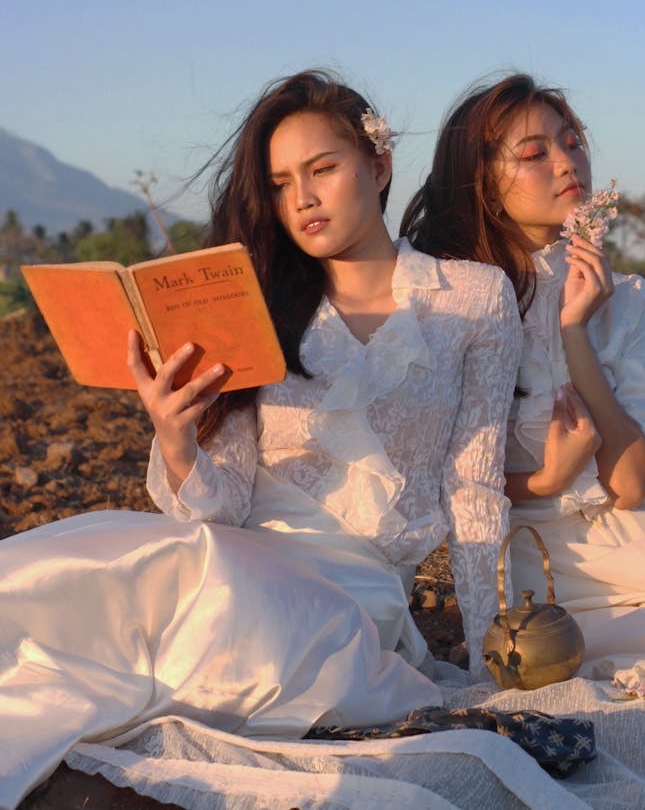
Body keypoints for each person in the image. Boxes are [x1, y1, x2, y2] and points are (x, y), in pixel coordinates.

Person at [0, 70, 521, 809]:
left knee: (194, 630)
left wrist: (483, 653)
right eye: (279, 183)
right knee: (82, 584)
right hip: (241, 555)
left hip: (354, 591)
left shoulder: (475, 297)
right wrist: (176, 435)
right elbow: (221, 507)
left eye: (322, 169)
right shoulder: (259, 307)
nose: (301, 198)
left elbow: (475, 490)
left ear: (378, 165)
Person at [402, 72, 645, 680]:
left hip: (641, 528)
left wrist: (575, 334)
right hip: (529, 552)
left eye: (572, 142)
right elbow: (437, 480)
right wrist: (549, 478)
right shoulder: (447, 303)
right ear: (482, 181)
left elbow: (634, 485)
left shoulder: (628, 300)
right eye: (535, 153)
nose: (568, 163)